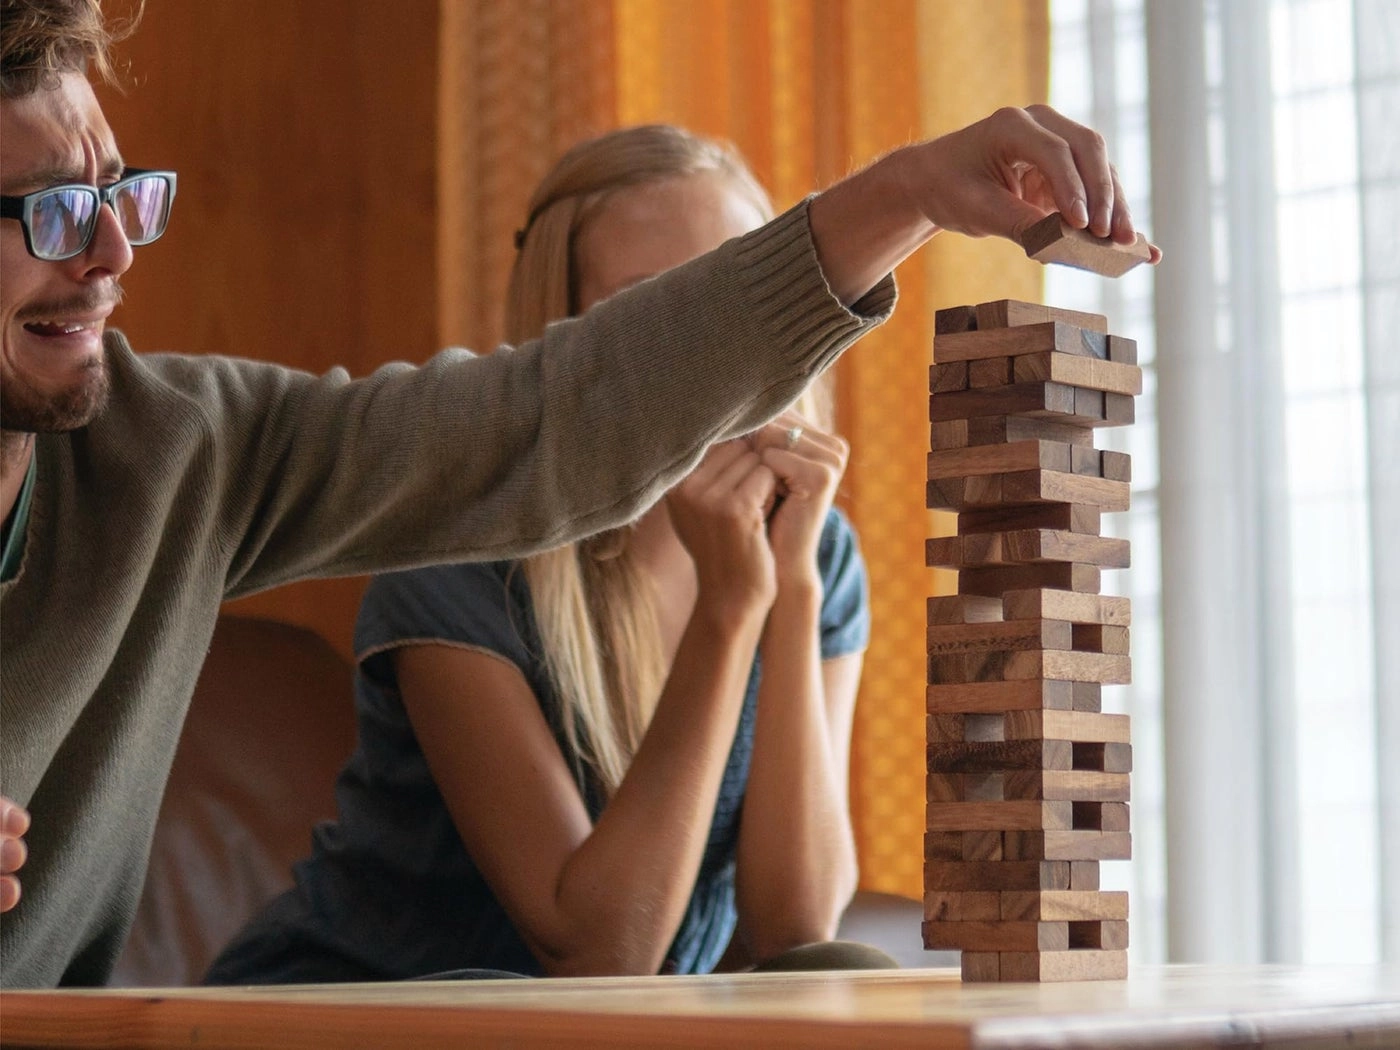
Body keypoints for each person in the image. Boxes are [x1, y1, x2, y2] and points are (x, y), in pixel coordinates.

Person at [0, 0, 1157, 989]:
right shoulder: (463, 591)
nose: (112, 256)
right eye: (53, 211)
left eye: (122, 196)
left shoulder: (182, 450)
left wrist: (906, 193)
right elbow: (596, 939)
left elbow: (557, 415)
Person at [206, 126, 879, 982]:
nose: (720, 359)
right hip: (376, 1013)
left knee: (845, 969)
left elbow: (797, 930)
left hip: (605, 1033)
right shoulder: (453, 547)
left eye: (739, 305)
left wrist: (788, 587)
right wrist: (729, 608)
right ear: (574, 351)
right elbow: (597, 950)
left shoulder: (818, 549)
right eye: (662, 311)